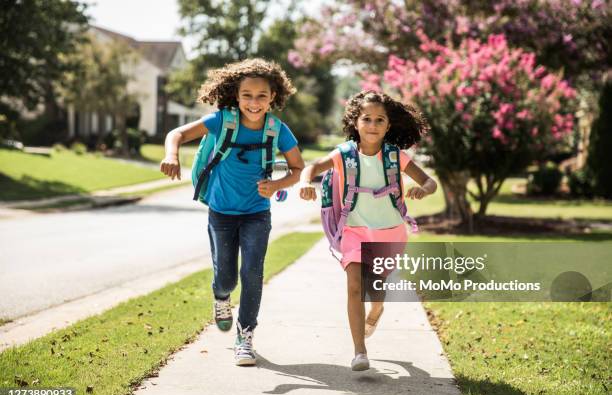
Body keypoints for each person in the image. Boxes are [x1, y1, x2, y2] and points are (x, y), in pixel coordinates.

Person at [160, 59, 305, 366]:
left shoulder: (277, 129)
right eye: (247, 95)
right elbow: (177, 134)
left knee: (252, 272)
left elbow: (297, 169)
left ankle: (245, 336)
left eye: (262, 96)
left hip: (257, 212)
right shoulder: (221, 121)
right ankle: (221, 297)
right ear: (236, 96)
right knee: (226, 278)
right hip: (222, 212)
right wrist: (171, 155)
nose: (254, 102)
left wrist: (277, 183)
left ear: (273, 97)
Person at [299, 90, 437, 371]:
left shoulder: (395, 156)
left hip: (389, 232)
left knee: (376, 290)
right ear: (355, 122)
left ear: (388, 125)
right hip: (354, 230)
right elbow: (312, 167)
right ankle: (359, 352)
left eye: (379, 120)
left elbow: (429, 182)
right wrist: (304, 182)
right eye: (367, 119)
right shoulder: (343, 155)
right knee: (353, 287)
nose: (372, 125)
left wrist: (423, 189)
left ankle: (377, 310)